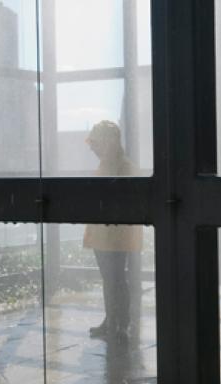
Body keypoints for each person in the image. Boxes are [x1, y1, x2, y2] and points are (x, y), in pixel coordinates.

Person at [83, 120, 144, 343]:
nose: (92, 148)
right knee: (110, 278)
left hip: (115, 234)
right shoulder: (110, 165)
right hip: (105, 233)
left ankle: (119, 322)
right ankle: (113, 320)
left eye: (96, 143)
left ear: (107, 143)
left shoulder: (123, 167)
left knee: (115, 278)